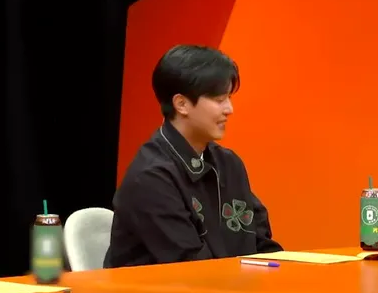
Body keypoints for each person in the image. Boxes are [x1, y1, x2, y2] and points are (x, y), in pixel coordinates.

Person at [104, 44, 283, 268]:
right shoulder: (151, 177)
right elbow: (192, 266)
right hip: (165, 289)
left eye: (229, 98)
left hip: (227, 285)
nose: (229, 109)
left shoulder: (229, 164)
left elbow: (262, 244)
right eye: (219, 100)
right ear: (182, 104)